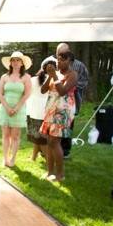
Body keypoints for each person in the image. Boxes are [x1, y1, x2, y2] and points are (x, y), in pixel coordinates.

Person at [39, 51, 77, 182]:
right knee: (49, 141)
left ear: (70, 62)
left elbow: (62, 91)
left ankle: (60, 175)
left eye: (62, 60)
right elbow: (43, 90)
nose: (59, 62)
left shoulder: (72, 75)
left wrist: (54, 76)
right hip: (51, 109)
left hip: (63, 111)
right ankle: (50, 172)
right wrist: (50, 76)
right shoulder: (56, 74)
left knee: (54, 141)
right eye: (58, 60)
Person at [0, 51, 32, 167]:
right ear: (10, 63)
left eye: (18, 60)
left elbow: (27, 94)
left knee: (15, 136)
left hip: (19, 109)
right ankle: (5, 158)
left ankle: (13, 159)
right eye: (13, 60)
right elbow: (0, 94)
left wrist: (16, 108)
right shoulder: (4, 77)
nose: (15, 62)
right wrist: (7, 107)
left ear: (22, 63)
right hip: (5, 109)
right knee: (5, 135)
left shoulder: (26, 77)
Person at [55, 43, 89, 158]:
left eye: (63, 53)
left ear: (69, 53)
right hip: (54, 102)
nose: (60, 56)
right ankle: (54, 148)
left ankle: (65, 151)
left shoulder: (79, 66)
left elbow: (84, 81)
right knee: (54, 127)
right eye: (59, 54)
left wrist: (70, 85)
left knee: (68, 126)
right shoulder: (54, 63)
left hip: (71, 100)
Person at [26, 56, 57, 161]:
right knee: (39, 137)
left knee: (39, 138)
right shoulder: (55, 79)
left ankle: (49, 161)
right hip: (46, 111)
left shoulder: (34, 79)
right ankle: (34, 156)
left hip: (35, 111)